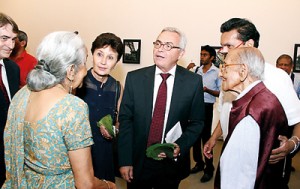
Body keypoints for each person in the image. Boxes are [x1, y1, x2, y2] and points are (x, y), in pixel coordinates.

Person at [2, 31, 115, 189]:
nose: (85, 70)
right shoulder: (72, 107)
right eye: (84, 63)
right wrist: (108, 186)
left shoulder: (22, 94)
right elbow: (85, 183)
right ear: (70, 71)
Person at [203, 18, 300, 189]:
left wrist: (292, 144)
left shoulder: (277, 77)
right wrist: (213, 137)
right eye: (221, 46)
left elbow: (297, 119)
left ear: (249, 44)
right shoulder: (228, 74)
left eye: (229, 46)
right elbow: (226, 111)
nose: (222, 51)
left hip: (262, 163)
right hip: (232, 152)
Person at [118, 27, 205, 189]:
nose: (160, 49)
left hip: (171, 163)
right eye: (158, 43)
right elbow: (125, 121)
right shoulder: (134, 79)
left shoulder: (193, 82)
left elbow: (197, 122)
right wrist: (125, 160)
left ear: (181, 53)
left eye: (168, 46)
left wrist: (180, 144)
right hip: (138, 161)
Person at [216, 47, 289, 189]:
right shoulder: (265, 97)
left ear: (243, 71)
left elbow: (238, 179)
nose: (220, 74)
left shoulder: (249, 114)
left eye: (225, 67)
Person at [76, 32, 124, 182]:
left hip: (105, 153)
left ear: (116, 62)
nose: (103, 62)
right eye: (99, 54)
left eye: (110, 57)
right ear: (91, 54)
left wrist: (113, 131)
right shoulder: (78, 82)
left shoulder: (117, 87)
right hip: (80, 152)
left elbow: (119, 122)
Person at [190, 45, 221, 183]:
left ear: (212, 57)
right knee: (194, 138)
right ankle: (199, 163)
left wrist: (207, 90)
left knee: (206, 138)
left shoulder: (217, 72)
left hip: (207, 107)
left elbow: (220, 92)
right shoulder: (197, 70)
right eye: (201, 54)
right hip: (194, 107)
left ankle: (209, 168)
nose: (202, 57)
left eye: (205, 55)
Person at [0, 12, 20, 187]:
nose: (11, 45)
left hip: (9, 155)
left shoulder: (13, 69)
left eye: (13, 39)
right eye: (5, 38)